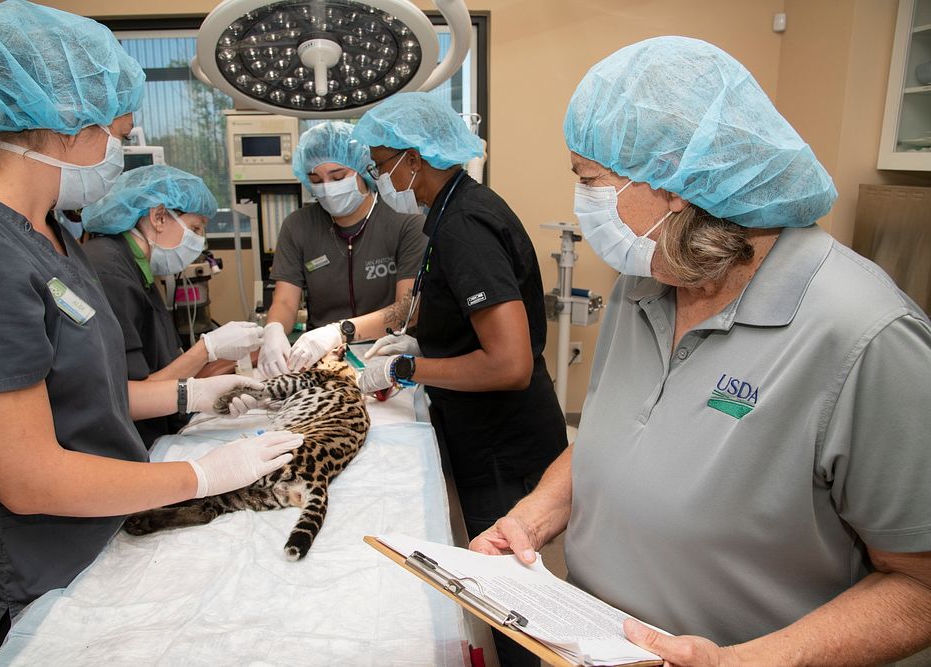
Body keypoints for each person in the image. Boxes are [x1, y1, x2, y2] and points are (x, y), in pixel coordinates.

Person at [470, 36, 931, 666]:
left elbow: (919, 585)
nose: (583, 203)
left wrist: (745, 662)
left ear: (675, 184)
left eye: (591, 180)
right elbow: (618, 435)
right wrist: (537, 512)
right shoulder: (651, 276)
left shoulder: (863, 336)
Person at [0, 3, 301, 664]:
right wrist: (200, 473)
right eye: (114, 132)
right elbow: (27, 476)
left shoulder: (56, 235)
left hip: (95, 538)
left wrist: (202, 395)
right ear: (65, 125)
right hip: (25, 578)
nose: (116, 154)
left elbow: (96, 393)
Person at [276, 93, 567, 666]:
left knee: (514, 597)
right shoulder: (455, 213)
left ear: (415, 158)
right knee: (502, 584)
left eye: (381, 165)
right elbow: (441, 310)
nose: (380, 177)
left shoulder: (465, 226)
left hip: (502, 441)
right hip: (484, 430)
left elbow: (509, 364)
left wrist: (408, 367)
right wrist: (388, 334)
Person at [81, 165, 268, 446]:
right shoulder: (108, 272)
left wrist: (231, 364)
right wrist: (207, 349)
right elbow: (132, 394)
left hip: (161, 428)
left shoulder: (136, 268)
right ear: (158, 217)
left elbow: (166, 369)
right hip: (132, 443)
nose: (199, 241)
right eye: (195, 228)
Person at [257, 120, 425, 378]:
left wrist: (338, 332)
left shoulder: (405, 221)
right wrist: (274, 330)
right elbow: (285, 301)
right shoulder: (298, 226)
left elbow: (407, 310)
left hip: (387, 357)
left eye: (337, 177)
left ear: (364, 171)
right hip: (322, 360)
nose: (327, 187)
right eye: (316, 179)